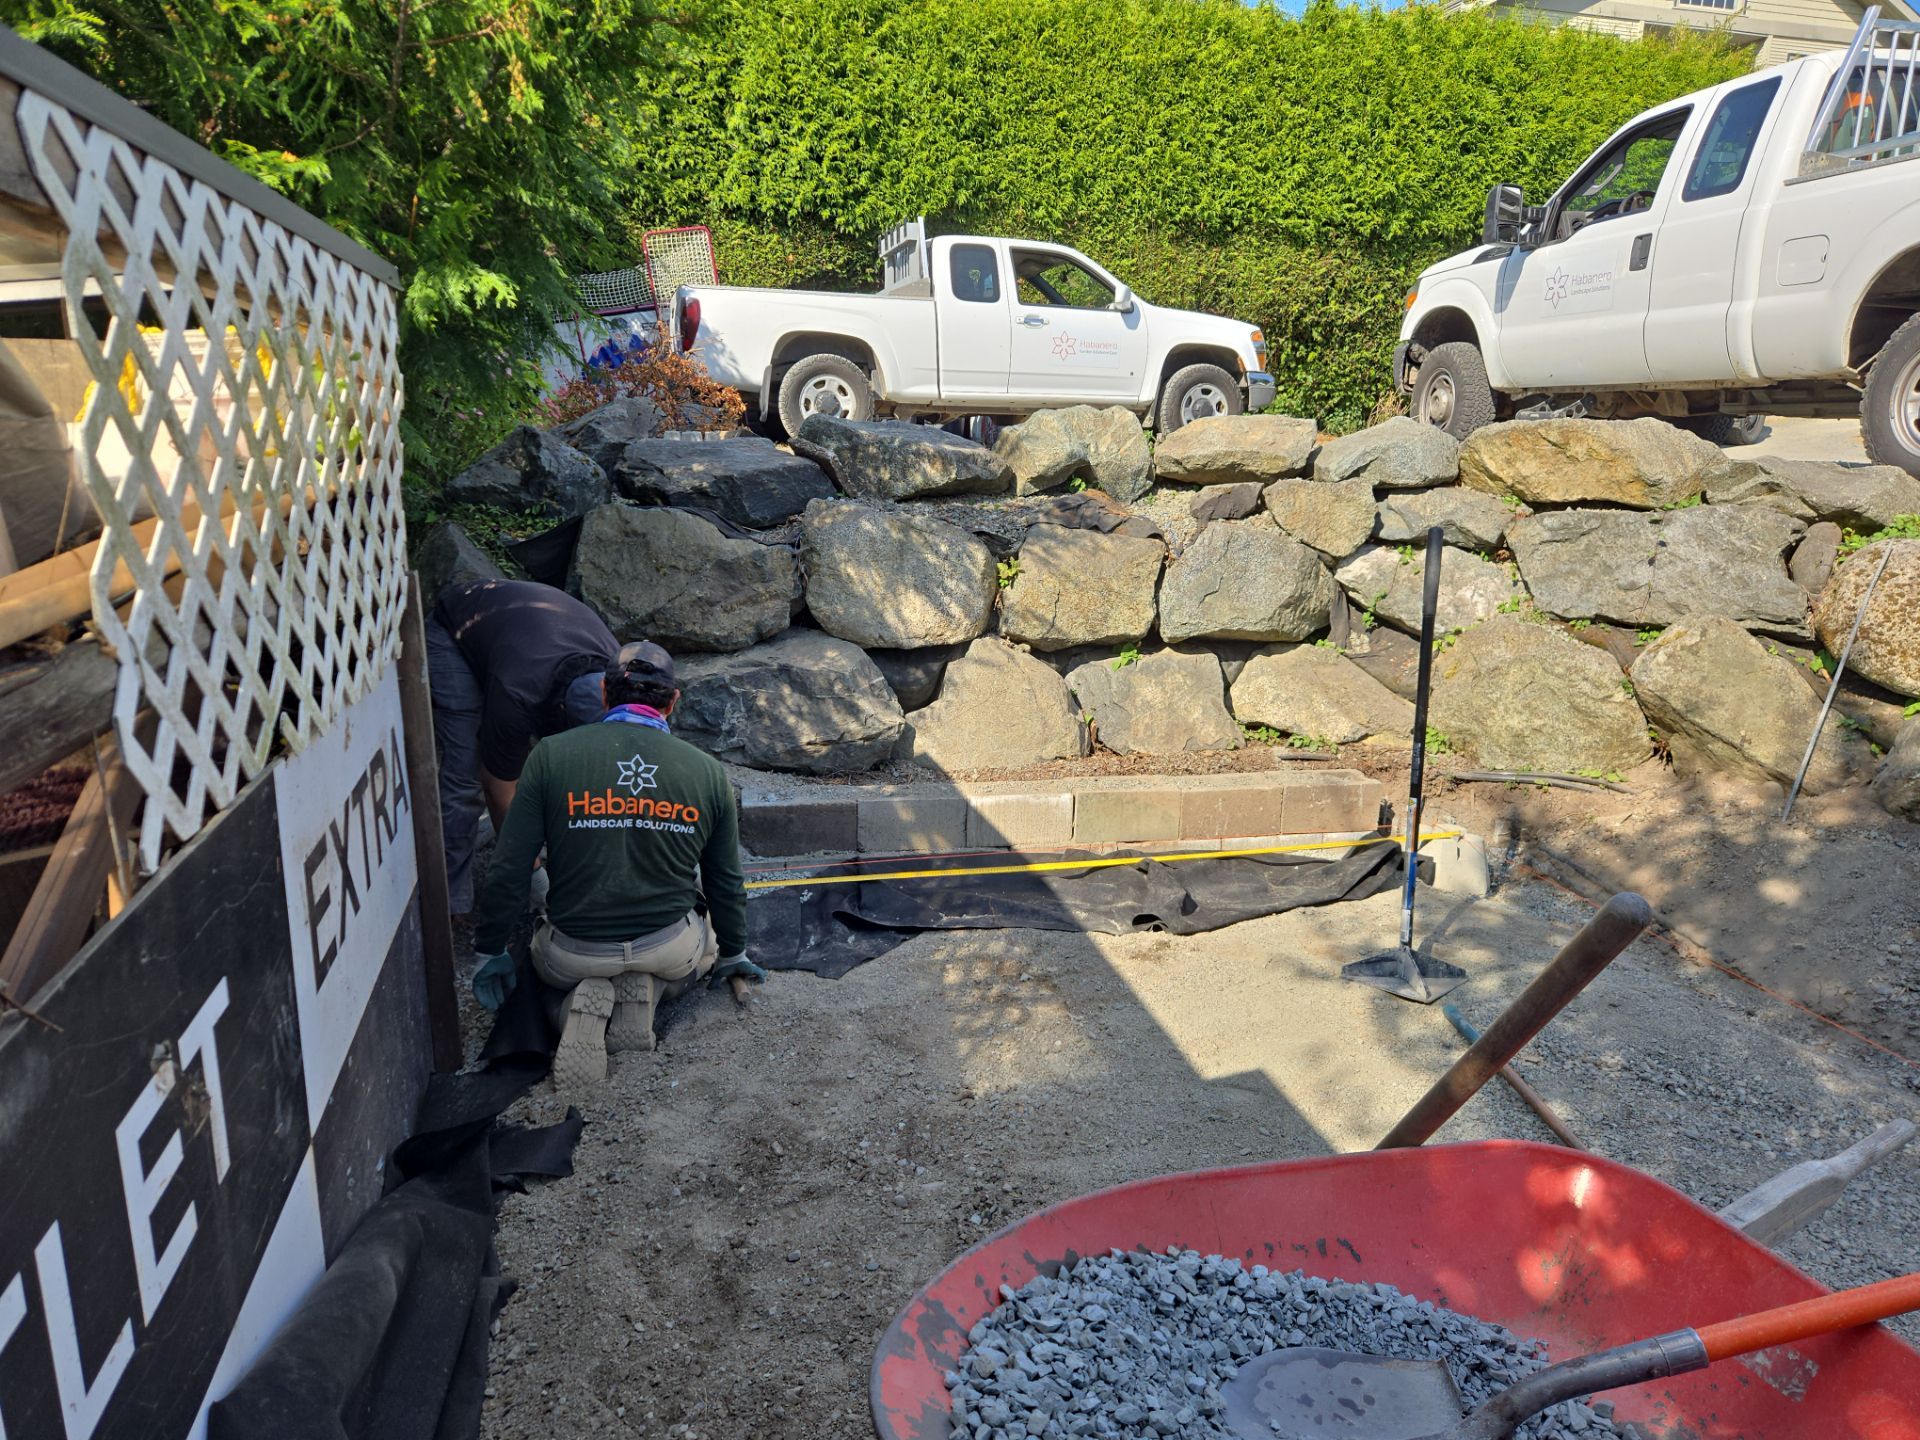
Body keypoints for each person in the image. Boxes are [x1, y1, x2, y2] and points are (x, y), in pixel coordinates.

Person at [469, 640, 763, 1085]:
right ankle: (651, 992)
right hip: (665, 947)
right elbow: (725, 881)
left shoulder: (550, 756)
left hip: (573, 954)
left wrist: (490, 949)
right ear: (674, 703)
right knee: (705, 944)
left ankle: (572, 1012)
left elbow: (510, 866)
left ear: (604, 695)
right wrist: (735, 953)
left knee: (544, 977)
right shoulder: (706, 772)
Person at [426, 579, 618, 916]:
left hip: (521, 633)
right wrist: (536, 881)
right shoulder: (518, 694)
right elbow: (498, 786)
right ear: (557, 716)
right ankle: (449, 906)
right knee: (466, 773)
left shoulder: (618, 676)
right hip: (455, 631)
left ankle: (487, 838)